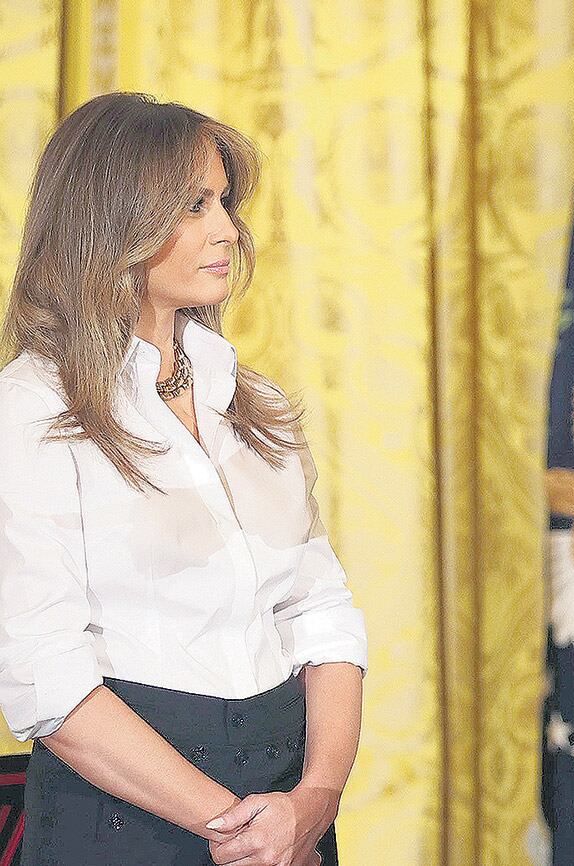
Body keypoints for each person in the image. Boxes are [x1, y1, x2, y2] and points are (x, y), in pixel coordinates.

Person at [0, 92, 367, 866]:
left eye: (225, 202)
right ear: (111, 222)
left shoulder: (253, 401)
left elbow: (320, 610)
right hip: (125, 822)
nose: (227, 229)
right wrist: (242, 829)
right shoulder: (28, 412)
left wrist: (314, 803)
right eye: (194, 205)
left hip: (287, 812)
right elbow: (45, 678)